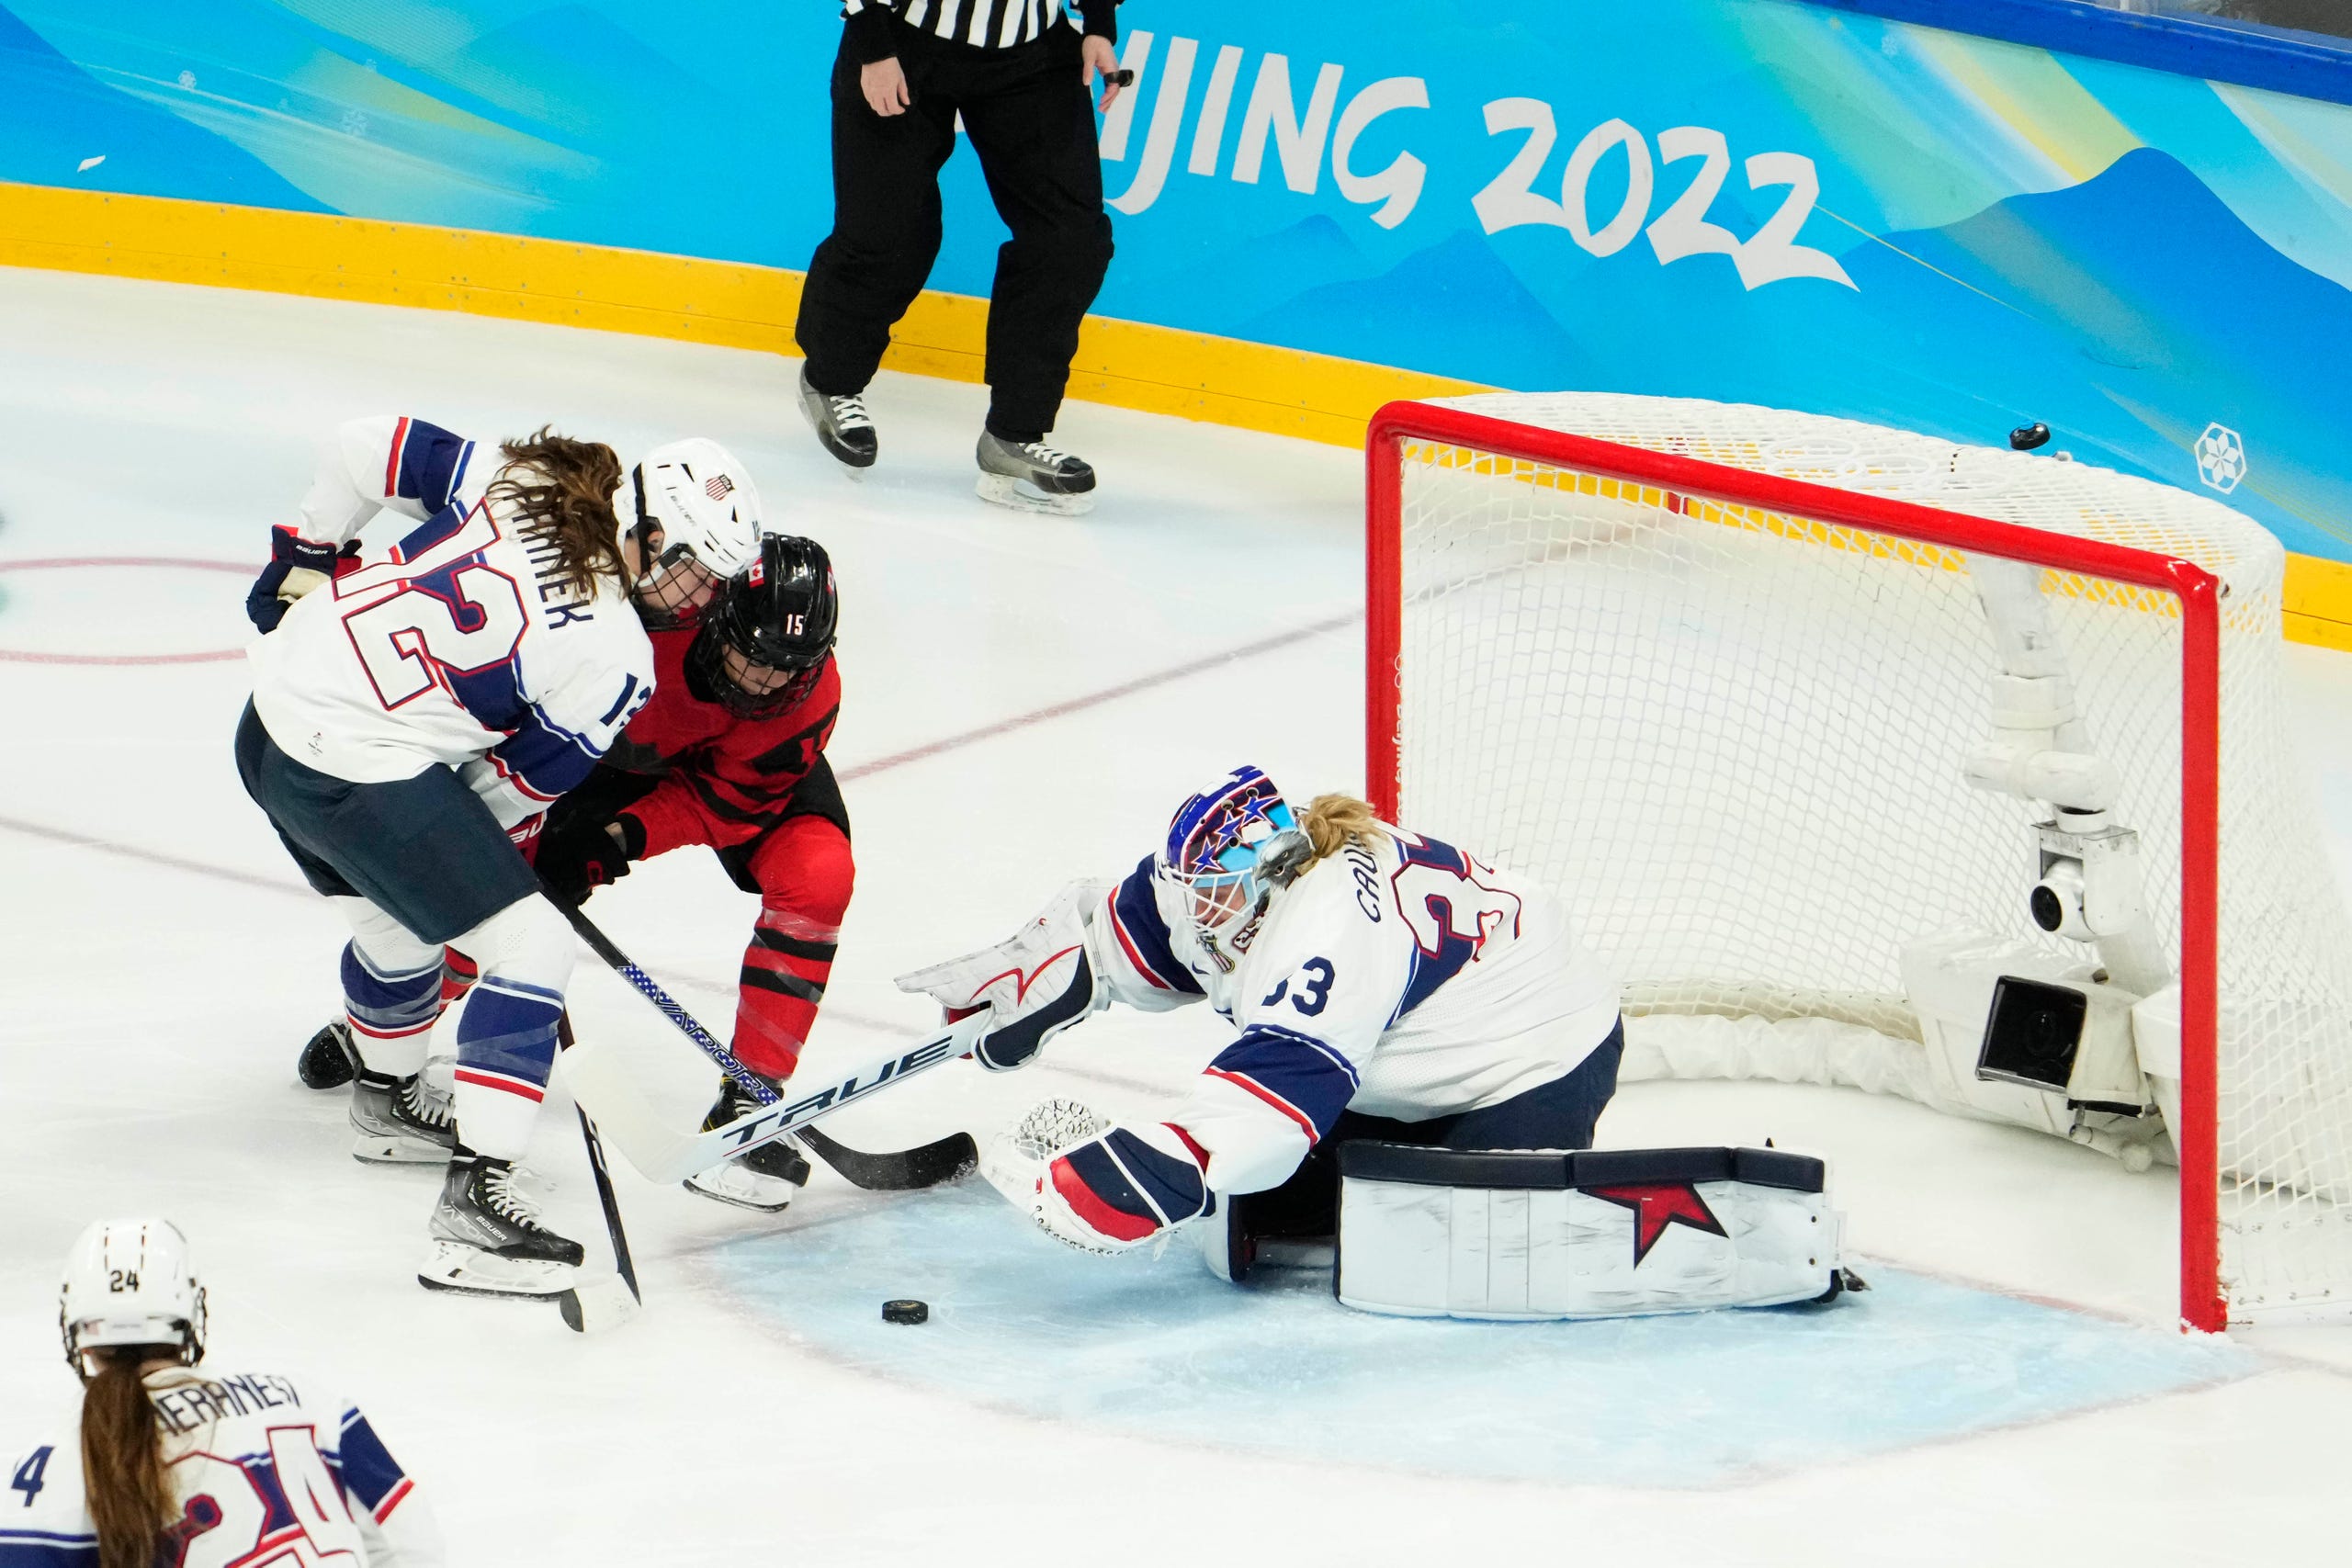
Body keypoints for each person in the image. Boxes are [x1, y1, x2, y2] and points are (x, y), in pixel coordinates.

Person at [235, 416, 761, 1298]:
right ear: (651, 529)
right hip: (348, 762)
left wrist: (309, 556)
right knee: (531, 945)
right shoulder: (619, 659)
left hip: (268, 730)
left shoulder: (527, 479)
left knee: (401, 923)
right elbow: (509, 793)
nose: (701, 597)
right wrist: (493, 879)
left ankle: (388, 1099)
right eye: (696, 569)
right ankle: (474, 1213)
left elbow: (369, 445)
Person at [895, 766, 1627, 1259]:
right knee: (1267, 1214)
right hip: (1418, 1043)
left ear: (1261, 880)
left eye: (1207, 894)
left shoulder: (1327, 929)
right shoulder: (1259, 871)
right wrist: (1035, 981)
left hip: (1538, 1052)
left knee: (1455, 1242)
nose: (1192, 909)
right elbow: (1131, 931)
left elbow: (1265, 1110)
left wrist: (1139, 1172)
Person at [531, 534, 848, 1213]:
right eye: (756, 659)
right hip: (607, 756)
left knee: (818, 871)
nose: (766, 684)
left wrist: (618, 840)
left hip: (725, 774)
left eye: (789, 668)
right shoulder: (652, 618)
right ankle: (391, 1029)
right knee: (507, 882)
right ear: (718, 618)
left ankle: (748, 1109)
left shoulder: (809, 694)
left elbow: (719, 806)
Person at [795, 0, 1126, 515]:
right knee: (891, 235)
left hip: (1034, 52)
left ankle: (1014, 435)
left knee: (1070, 241)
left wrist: (1099, 25)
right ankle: (831, 379)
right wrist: (872, 45)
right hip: (903, 39)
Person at [0, 1219, 442, 1566]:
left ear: (78, 1332)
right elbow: (410, 1540)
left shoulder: (52, 1468)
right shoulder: (305, 1401)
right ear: (192, 1312)